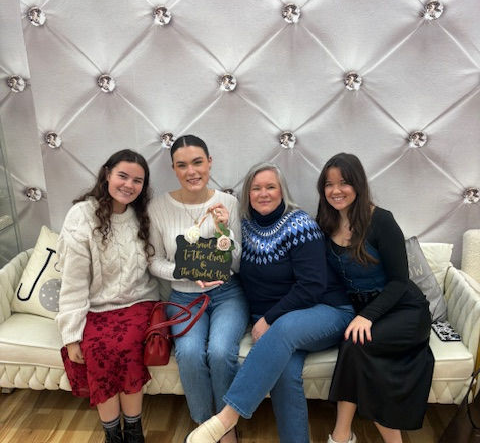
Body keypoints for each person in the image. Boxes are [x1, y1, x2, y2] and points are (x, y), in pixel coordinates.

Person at [185, 162, 355, 443]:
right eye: (256, 188)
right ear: (247, 194)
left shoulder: (300, 224)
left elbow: (312, 286)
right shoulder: (245, 226)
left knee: (283, 329)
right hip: (283, 325)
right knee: (284, 374)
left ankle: (226, 418)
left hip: (327, 311)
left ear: (282, 191)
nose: (263, 193)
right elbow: (230, 262)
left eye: (270, 187)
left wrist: (269, 319)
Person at [316, 153, 434, 443]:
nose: (336, 190)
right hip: (362, 310)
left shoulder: (381, 220)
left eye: (343, 182)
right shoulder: (325, 223)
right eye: (329, 184)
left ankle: (343, 436)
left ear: (358, 184)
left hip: (403, 309)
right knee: (354, 346)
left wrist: (367, 316)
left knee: (355, 346)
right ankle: (344, 435)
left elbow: (399, 281)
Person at [148, 135, 250, 443]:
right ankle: (206, 426)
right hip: (183, 297)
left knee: (220, 352)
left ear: (209, 163)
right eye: (182, 165)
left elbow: (237, 263)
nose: (191, 171)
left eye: (197, 162)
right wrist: (186, 274)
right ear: (173, 169)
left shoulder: (228, 203)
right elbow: (154, 261)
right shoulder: (158, 207)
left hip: (227, 294)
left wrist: (223, 230)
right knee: (190, 354)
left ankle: (226, 427)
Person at [56, 149, 160, 443]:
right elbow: (73, 281)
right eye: (122, 176)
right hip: (96, 308)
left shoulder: (143, 215)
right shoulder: (82, 216)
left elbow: (156, 264)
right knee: (98, 349)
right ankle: (113, 435)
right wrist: (71, 335)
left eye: (137, 181)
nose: (129, 185)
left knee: (126, 346)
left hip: (139, 302)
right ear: (107, 174)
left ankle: (134, 433)